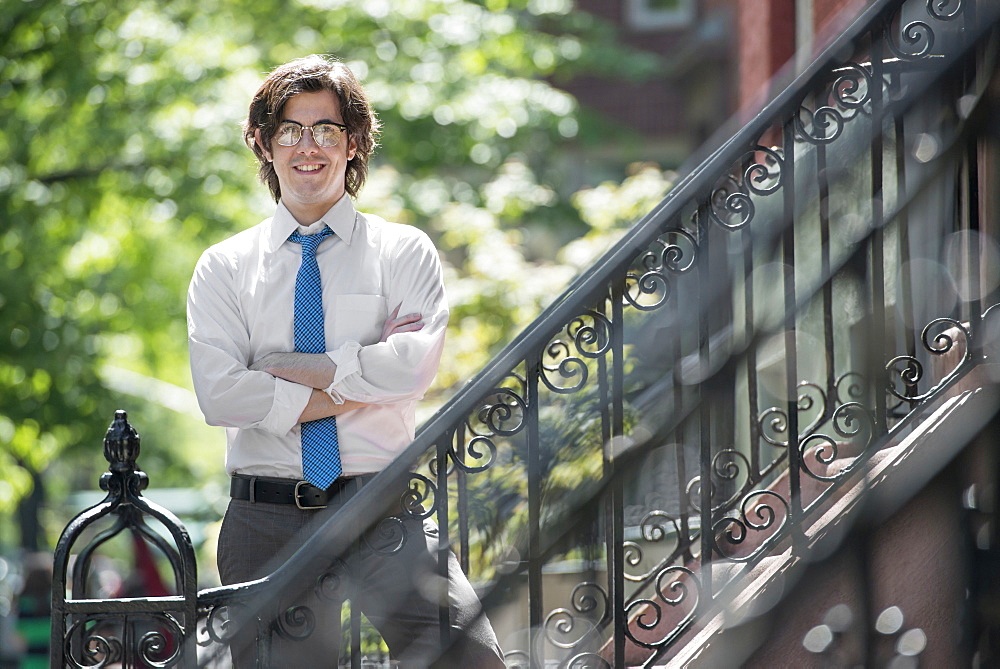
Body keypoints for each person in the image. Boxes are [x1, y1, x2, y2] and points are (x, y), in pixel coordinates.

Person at [187, 54, 505, 668]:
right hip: (266, 520)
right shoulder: (224, 267)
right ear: (263, 142)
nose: (309, 147)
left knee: (471, 660)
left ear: (353, 143)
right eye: (290, 130)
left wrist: (289, 367)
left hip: (383, 511)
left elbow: (413, 366)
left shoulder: (402, 251)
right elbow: (220, 395)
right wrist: (358, 377)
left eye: (327, 129)